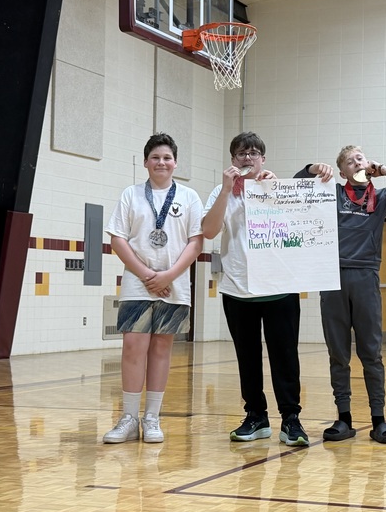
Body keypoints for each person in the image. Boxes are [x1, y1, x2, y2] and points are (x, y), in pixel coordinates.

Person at [296, 147, 386, 444]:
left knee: (371, 353)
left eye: (361, 158)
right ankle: (344, 418)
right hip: (333, 277)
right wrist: (313, 168)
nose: (358, 162)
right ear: (342, 173)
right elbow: (295, 187)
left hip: (366, 277)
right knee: (338, 353)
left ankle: (379, 419)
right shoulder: (332, 194)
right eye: (350, 161)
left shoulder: (382, 198)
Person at [202, 132, 310, 447]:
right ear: (232, 160)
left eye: (253, 153)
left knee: (285, 357)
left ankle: (291, 419)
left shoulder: (277, 189)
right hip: (238, 289)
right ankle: (256, 417)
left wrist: (275, 191)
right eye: (240, 154)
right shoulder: (221, 193)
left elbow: (300, 229)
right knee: (246, 357)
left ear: (263, 158)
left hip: (280, 289)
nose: (247, 159)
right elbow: (209, 230)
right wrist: (225, 190)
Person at [103, 132, 204, 444]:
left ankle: (152, 418)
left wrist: (169, 275)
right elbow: (117, 238)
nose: (162, 162)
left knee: (162, 348)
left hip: (175, 285)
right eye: (156, 157)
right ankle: (129, 418)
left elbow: (196, 242)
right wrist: (148, 273)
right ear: (145, 163)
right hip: (138, 283)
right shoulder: (131, 195)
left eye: (167, 158)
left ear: (175, 163)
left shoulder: (189, 197)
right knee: (134, 346)